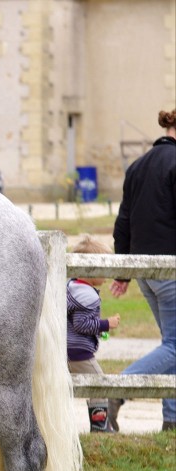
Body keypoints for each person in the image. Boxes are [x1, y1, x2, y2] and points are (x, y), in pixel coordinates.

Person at [108, 109, 176, 433]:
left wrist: (124, 272)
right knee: (175, 345)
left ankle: (172, 420)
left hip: (145, 272)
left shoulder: (136, 167)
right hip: (171, 271)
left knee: (172, 344)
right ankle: (117, 390)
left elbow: (123, 223)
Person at [66, 236, 120, 432]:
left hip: (64, 350)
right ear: (90, 269)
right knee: (98, 383)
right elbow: (81, 324)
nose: (106, 274)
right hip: (79, 353)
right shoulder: (88, 295)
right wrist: (106, 324)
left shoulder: (71, 286)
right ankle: (100, 428)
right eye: (103, 267)